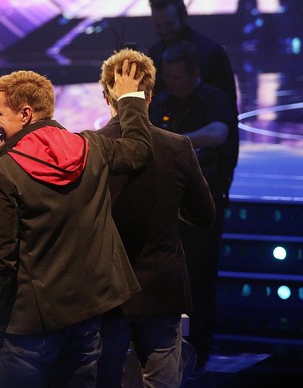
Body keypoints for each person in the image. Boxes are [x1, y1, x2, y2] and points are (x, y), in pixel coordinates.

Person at [0, 61, 152, 387]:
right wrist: (132, 99)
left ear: (26, 114)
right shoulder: (92, 147)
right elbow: (140, 150)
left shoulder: (6, 173)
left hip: (30, 327)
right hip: (87, 318)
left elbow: (0, 257)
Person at [95, 49, 215, 387]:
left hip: (108, 293)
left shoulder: (91, 147)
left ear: (109, 96)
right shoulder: (178, 147)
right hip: (162, 290)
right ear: (149, 95)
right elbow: (203, 214)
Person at [148, 41, 237, 376]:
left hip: (204, 206)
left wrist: (179, 143)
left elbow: (219, 132)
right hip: (168, 208)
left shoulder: (213, 98)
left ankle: (200, 350)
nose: (175, 84)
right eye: (168, 78)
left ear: (195, 72)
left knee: (200, 278)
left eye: (179, 77)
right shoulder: (164, 102)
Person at [148, 0, 240, 192]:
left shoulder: (211, 53)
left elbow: (228, 113)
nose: (165, 31)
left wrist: (227, 168)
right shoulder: (155, 53)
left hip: (210, 170)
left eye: (169, 24)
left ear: (182, 17)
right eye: (159, 26)